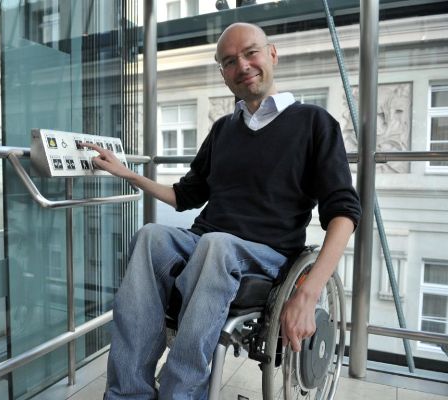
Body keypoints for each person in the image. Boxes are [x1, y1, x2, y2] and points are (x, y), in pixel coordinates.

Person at [83, 22, 361, 400]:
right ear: (224, 74)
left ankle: (181, 393)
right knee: (149, 236)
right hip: (208, 241)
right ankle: (127, 393)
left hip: (268, 253)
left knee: (216, 245)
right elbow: (184, 196)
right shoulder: (223, 129)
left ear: (272, 54)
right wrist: (123, 171)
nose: (242, 65)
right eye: (230, 61)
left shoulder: (314, 123)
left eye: (250, 53)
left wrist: (308, 295)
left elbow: (343, 214)